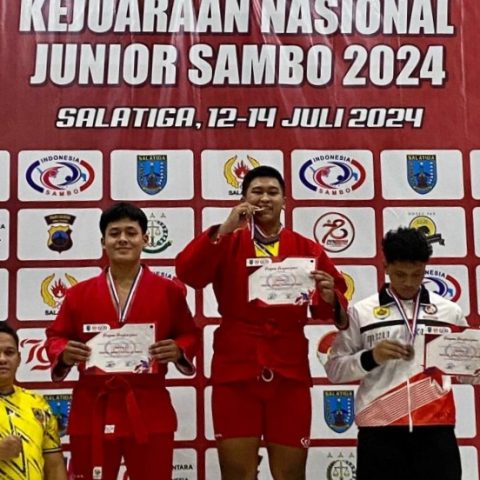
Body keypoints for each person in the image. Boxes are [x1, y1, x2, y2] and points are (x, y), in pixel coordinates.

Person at [175, 166, 348, 479]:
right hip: (236, 368)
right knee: (237, 473)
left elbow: (330, 307)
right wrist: (224, 229)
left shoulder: (307, 248)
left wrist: (330, 297)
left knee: (290, 474)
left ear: (285, 200)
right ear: (243, 198)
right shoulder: (227, 241)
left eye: (272, 192)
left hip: (289, 370)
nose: (265, 198)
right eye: (257, 191)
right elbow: (189, 274)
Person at [45, 202, 199, 480]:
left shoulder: (169, 292)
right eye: (114, 233)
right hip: (93, 405)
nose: (123, 239)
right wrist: (63, 352)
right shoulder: (78, 294)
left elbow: (189, 333)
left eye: (131, 232)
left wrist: (179, 350)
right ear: (103, 242)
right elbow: (56, 336)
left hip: (148, 405)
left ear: (145, 239)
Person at [325, 227, 468, 480]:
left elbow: (468, 371)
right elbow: (335, 369)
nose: (409, 283)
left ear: (425, 268)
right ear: (386, 267)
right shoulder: (362, 312)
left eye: (417, 274)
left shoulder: (449, 312)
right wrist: (371, 358)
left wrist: (473, 367)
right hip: (380, 431)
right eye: (401, 274)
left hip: (436, 429)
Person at [0, 322, 67, 480]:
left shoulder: (38, 404)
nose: (2, 359)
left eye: (9, 352)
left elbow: (55, 466)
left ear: (19, 358)